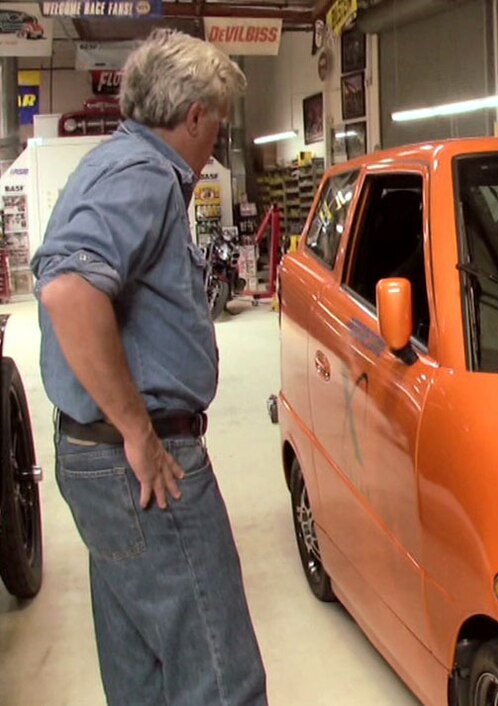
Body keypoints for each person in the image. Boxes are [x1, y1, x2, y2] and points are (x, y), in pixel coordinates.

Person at [31, 30, 266, 705]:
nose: (215, 143)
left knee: (143, 674)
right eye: (217, 125)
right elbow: (70, 290)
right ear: (194, 116)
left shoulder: (111, 163)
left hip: (98, 458)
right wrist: (138, 432)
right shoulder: (144, 176)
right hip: (141, 463)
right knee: (220, 677)